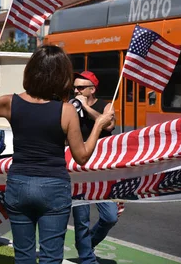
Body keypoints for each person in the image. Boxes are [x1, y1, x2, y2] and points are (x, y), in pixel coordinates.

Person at [0, 46, 114, 264]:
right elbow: (82, 156)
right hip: (53, 186)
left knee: (24, 257)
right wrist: (99, 125)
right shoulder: (66, 111)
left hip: (18, 183)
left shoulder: (11, 102)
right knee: (50, 258)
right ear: (61, 76)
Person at [72, 71, 117, 264]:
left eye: (81, 87)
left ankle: (87, 244)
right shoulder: (70, 106)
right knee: (81, 219)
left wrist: (85, 107)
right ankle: (87, 258)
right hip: (79, 168)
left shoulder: (105, 105)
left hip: (100, 168)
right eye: (74, 87)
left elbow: (108, 125)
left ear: (92, 89)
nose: (76, 90)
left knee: (110, 216)